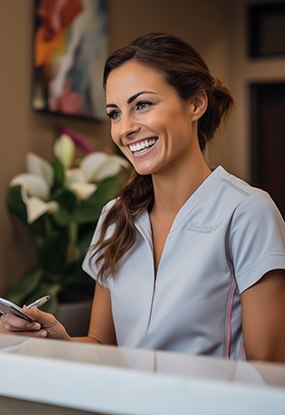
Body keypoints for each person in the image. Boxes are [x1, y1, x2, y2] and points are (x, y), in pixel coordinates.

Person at [1, 32, 285, 362]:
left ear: (196, 103)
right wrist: (54, 340)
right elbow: (105, 346)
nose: (125, 128)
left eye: (142, 105)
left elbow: (269, 372)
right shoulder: (114, 217)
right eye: (114, 113)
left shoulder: (247, 212)